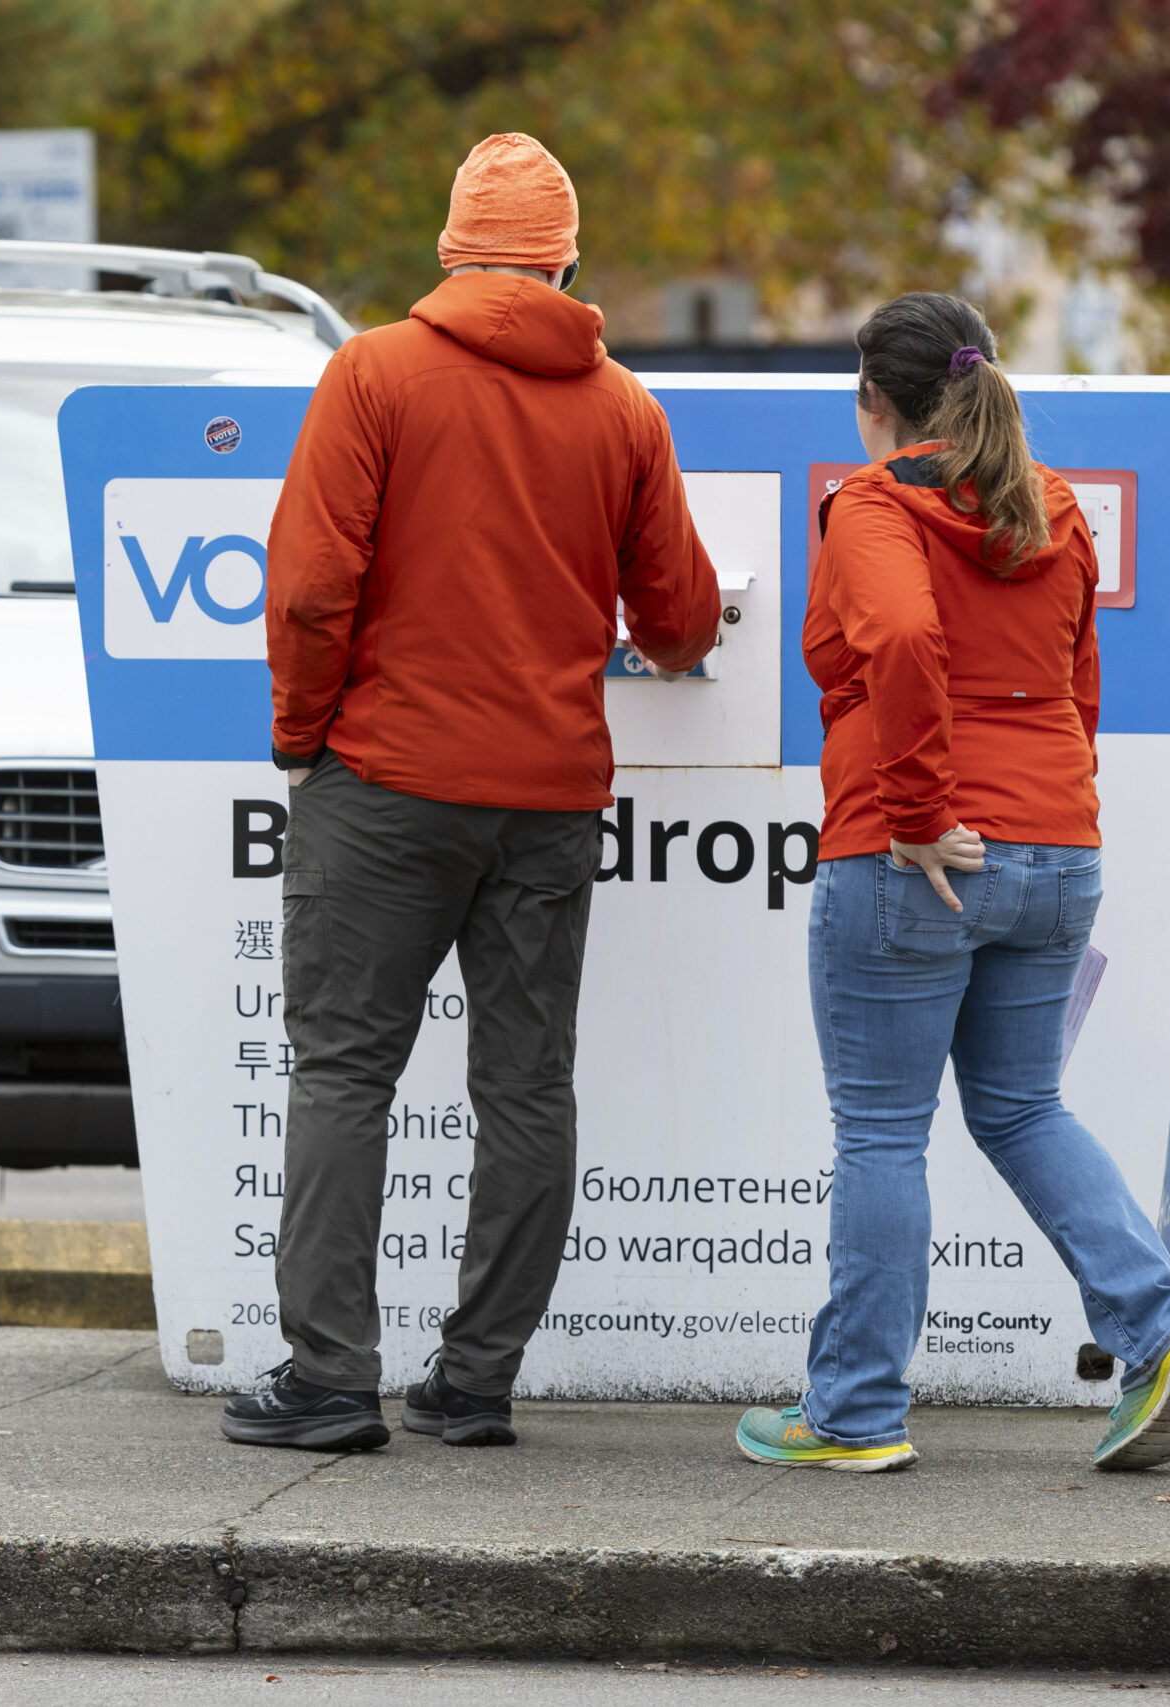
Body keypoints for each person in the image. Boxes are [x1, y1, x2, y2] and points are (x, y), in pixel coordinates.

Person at [224, 133, 721, 1452]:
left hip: (384, 778)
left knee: (343, 1073)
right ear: (567, 259)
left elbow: (311, 587)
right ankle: (476, 1377)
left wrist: (301, 735)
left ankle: (330, 1377)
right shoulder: (626, 410)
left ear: (451, 248)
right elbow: (677, 620)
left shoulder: (374, 372)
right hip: (549, 799)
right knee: (527, 1086)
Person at [735, 292, 1170, 1475]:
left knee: (879, 1133)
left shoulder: (872, 502)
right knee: (1021, 1108)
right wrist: (1051, 821)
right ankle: (1160, 1329)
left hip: (919, 856)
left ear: (875, 402)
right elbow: (1077, 686)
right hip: (1057, 849)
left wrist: (917, 811)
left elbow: (903, 643)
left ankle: (852, 1415)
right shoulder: (1050, 504)